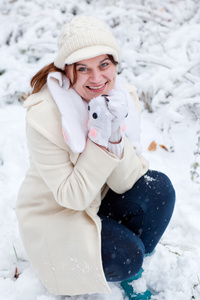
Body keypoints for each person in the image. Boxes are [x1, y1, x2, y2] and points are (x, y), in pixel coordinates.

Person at [16, 15, 175, 297]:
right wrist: (99, 141)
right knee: (125, 255)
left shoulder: (120, 98)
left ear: (115, 64)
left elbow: (126, 181)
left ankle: (131, 261)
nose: (98, 78)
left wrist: (113, 134)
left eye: (104, 64)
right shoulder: (44, 116)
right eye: (83, 69)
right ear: (67, 72)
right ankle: (124, 263)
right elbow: (71, 197)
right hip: (60, 216)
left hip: (98, 198)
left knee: (158, 189)